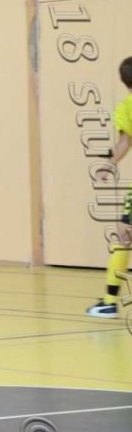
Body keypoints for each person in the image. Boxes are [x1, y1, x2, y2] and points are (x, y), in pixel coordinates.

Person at [87, 56, 132, 318]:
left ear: (124, 82)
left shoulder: (127, 106)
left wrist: (108, 165)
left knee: (124, 236)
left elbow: (125, 143)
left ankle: (109, 301)